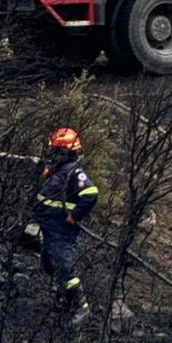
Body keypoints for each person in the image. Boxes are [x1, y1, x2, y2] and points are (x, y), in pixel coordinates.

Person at [33, 127, 99, 326]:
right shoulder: (58, 169)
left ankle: (82, 306)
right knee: (48, 264)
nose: (52, 152)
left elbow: (91, 194)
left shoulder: (75, 173)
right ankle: (64, 297)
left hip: (62, 229)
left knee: (64, 266)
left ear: (66, 151)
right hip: (49, 226)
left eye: (56, 149)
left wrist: (74, 216)